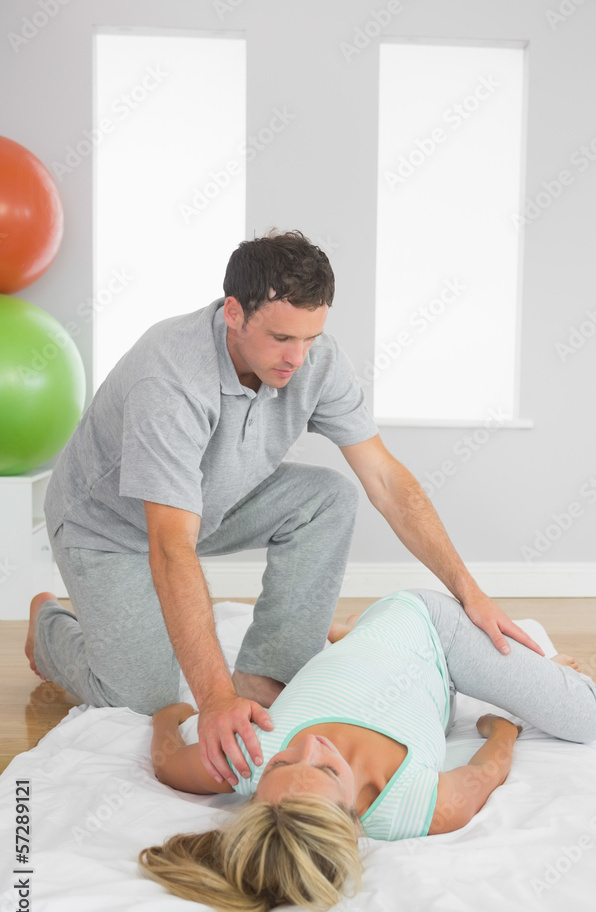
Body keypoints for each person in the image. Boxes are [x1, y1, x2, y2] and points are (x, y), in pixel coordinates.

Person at [25, 229, 545, 792]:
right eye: (280, 338)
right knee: (142, 700)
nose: (297, 358)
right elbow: (169, 547)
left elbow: (386, 480)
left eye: (310, 337)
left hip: (209, 503)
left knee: (330, 497)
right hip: (108, 528)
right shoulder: (170, 380)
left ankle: (265, 672)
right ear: (232, 312)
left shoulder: (313, 360)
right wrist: (216, 700)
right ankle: (48, 628)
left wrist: (471, 591)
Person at [139, 588, 596, 912]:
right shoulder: (419, 807)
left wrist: (169, 713)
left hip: (424, 620)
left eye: (281, 763)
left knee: (582, 714)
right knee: (592, 716)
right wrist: (504, 725)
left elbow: (164, 761)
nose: (308, 746)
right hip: (437, 676)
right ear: (351, 816)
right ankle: (350, 632)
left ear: (258, 788)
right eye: (324, 769)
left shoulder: (245, 762)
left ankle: (353, 631)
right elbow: (489, 769)